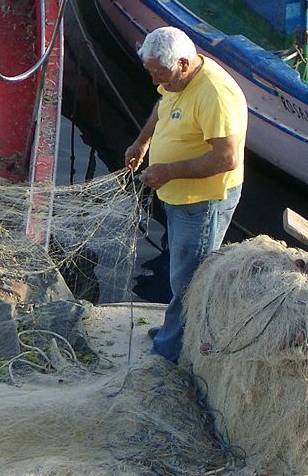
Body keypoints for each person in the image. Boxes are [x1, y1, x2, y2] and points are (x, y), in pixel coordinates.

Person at [125, 26, 248, 363]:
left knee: (189, 279)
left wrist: (166, 171)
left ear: (181, 63)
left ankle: (172, 352)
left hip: (203, 203)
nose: (155, 82)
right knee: (180, 271)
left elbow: (227, 158)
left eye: (159, 73)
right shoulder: (177, 80)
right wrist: (142, 142)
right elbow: (163, 103)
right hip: (179, 199)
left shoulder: (214, 94)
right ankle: (173, 331)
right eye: (151, 73)